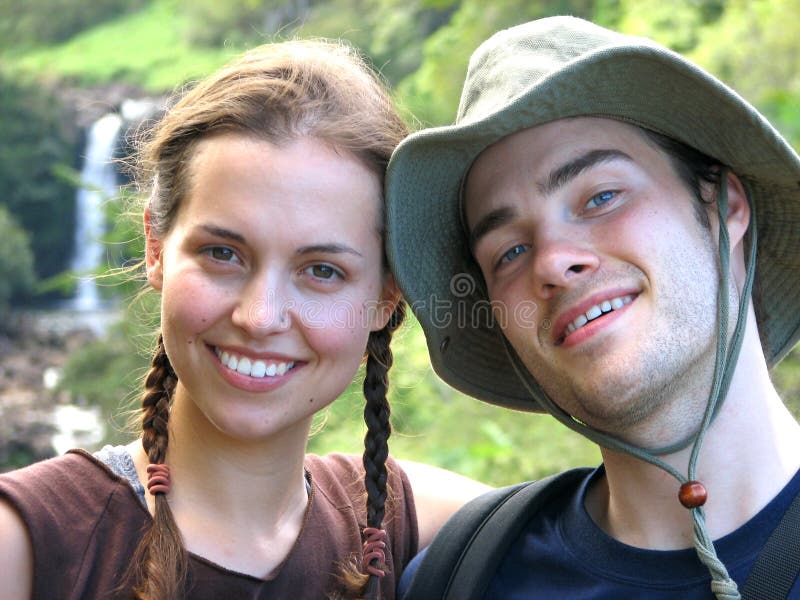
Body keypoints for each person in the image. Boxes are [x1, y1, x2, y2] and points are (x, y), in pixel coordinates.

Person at [0, 39, 489, 599]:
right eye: (223, 254)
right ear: (156, 248)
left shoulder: (416, 531)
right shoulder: (23, 543)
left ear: (386, 297)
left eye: (322, 270)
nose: (259, 318)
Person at [385, 16, 800, 599]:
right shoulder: (460, 579)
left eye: (601, 197)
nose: (552, 263)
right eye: (510, 251)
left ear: (725, 205)